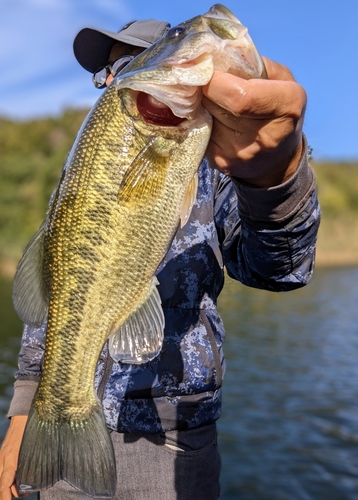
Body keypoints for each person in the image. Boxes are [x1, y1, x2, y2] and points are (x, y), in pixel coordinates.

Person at [0, 15, 320, 500]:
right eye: (105, 73)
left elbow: (281, 268)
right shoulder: (89, 164)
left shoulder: (225, 165)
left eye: (127, 64)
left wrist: (276, 175)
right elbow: (58, 301)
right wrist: (25, 412)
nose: (112, 79)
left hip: (170, 442)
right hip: (64, 433)